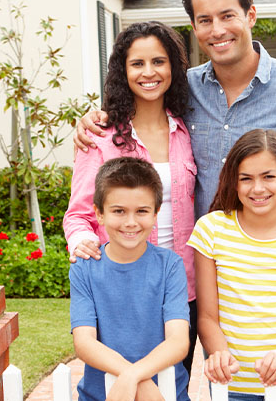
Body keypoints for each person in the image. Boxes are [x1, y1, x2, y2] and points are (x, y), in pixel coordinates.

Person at [74, 0, 276, 258]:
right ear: (194, 28)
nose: (217, 30)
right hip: (204, 266)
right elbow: (139, 109)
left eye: (227, 16)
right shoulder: (182, 89)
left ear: (251, 16)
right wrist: (97, 119)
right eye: (205, 20)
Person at [63, 21, 200, 374]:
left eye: (159, 61)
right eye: (137, 63)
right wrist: (83, 243)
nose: (149, 72)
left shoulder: (188, 129)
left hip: (183, 286)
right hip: (124, 290)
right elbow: (78, 215)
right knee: (127, 383)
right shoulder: (100, 136)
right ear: (123, 71)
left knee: (172, 384)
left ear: (173, 67)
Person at [188, 129, 276, 400]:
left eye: (268, 176)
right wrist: (220, 354)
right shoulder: (211, 230)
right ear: (235, 182)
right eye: (246, 179)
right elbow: (207, 317)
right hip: (231, 389)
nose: (258, 188)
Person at [70, 157, 191, 401]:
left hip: (164, 394)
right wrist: (132, 376)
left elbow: (178, 341)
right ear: (99, 214)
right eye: (119, 211)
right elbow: (84, 342)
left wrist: (133, 376)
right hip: (101, 395)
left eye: (142, 211)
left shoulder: (170, 265)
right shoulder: (84, 267)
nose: (131, 222)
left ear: (156, 214)